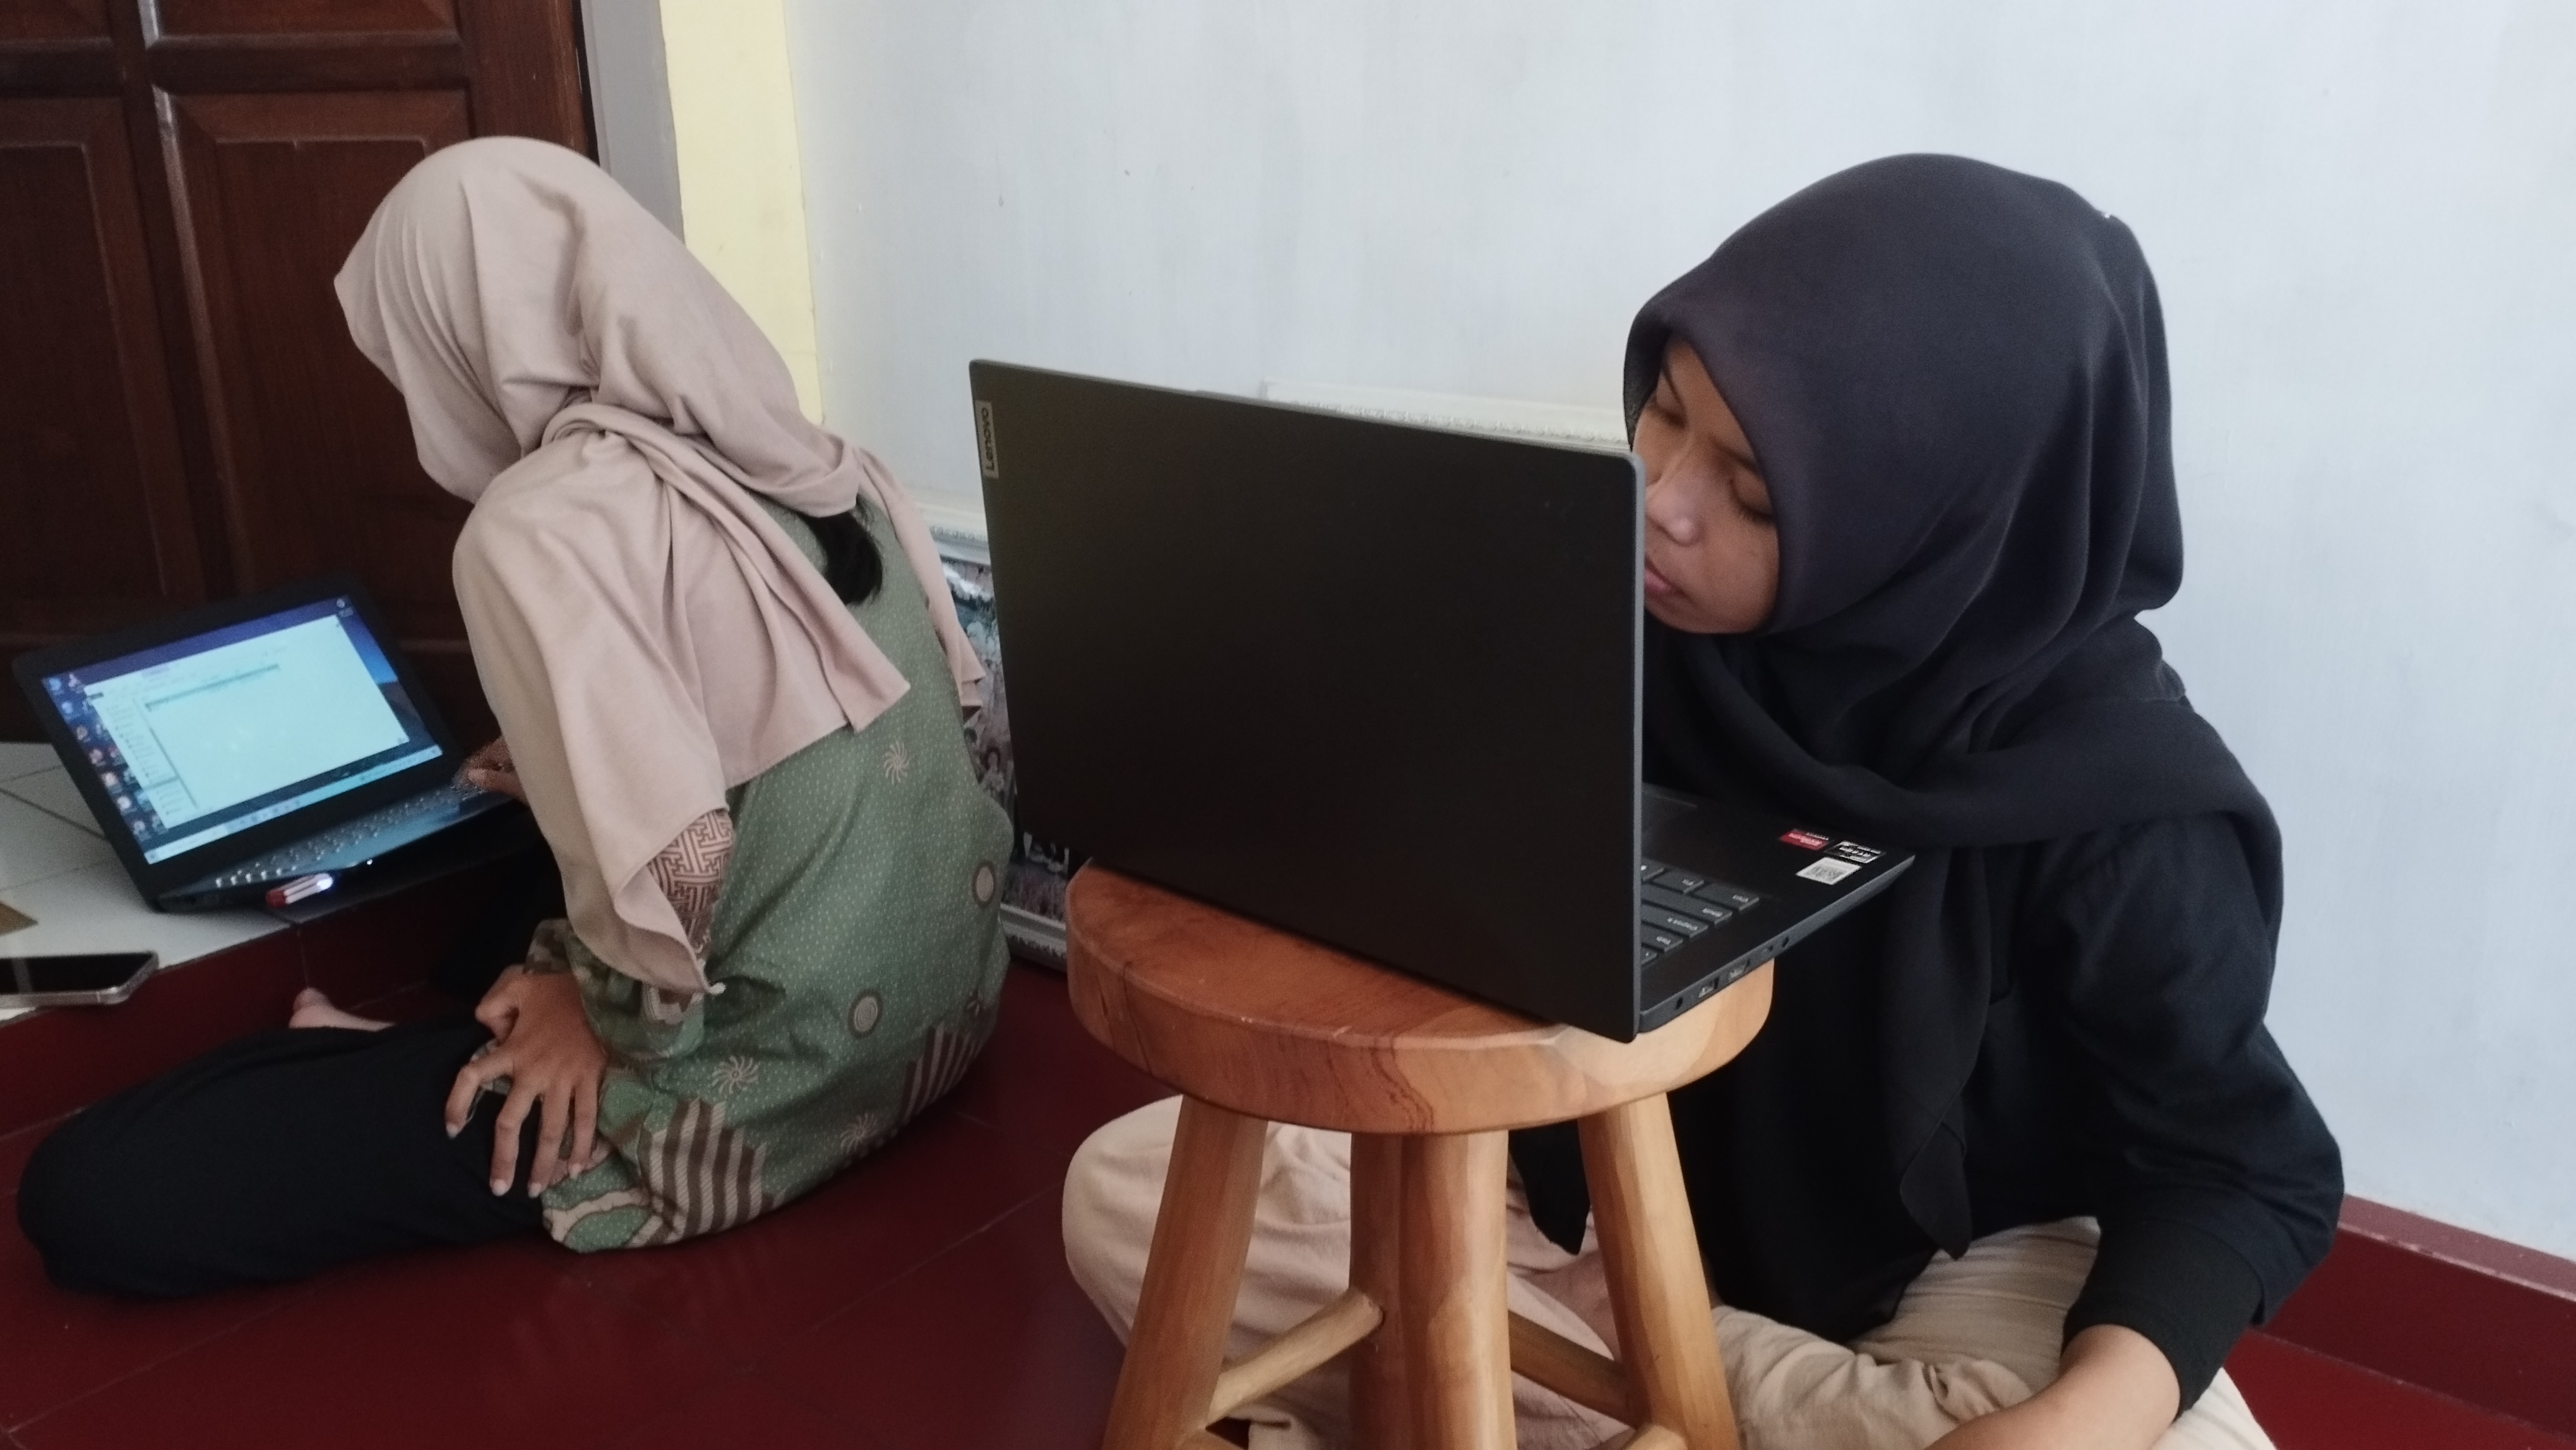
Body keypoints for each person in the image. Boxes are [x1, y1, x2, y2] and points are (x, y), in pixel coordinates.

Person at [1060, 155, 2342, 1450]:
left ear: (1936, 526)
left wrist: (2079, 1416)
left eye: (1756, 494)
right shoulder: (1622, 615)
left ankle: (1531, 1366)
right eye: (1663, 411)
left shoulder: (2118, 797)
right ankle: (1612, 1368)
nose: (1661, 503)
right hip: (1587, 1176)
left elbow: (2238, 1168)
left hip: (1945, 1263)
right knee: (1122, 1189)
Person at [18, 138, 1015, 1294]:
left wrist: (598, 1013)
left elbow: (684, 856)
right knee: (522, 848)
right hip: (938, 1021)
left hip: (755, 1093)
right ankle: (446, 1037)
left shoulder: (541, 523)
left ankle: (449, 1050)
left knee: (90, 1187)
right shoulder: (808, 455)